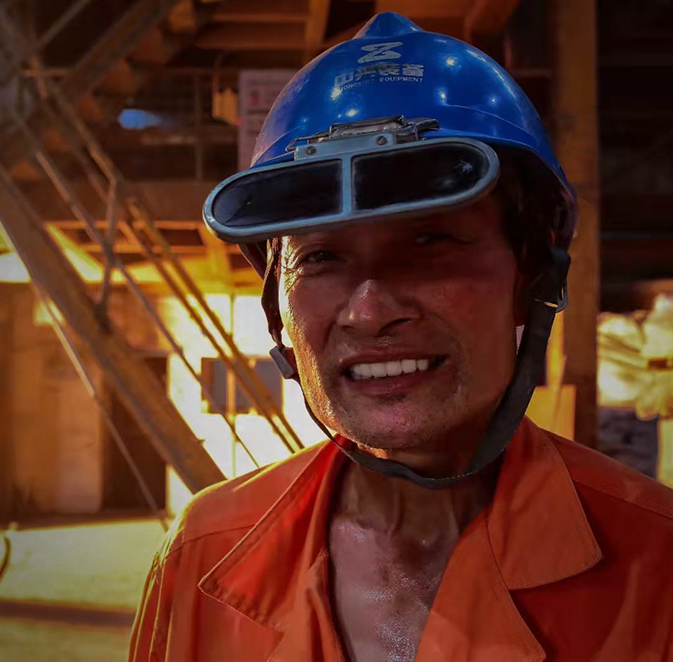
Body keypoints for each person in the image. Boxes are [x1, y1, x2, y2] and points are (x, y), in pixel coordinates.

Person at [130, 13, 673, 662]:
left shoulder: (657, 562)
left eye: (429, 242)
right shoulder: (202, 552)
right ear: (278, 305)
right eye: (321, 258)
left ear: (531, 277)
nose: (368, 312)